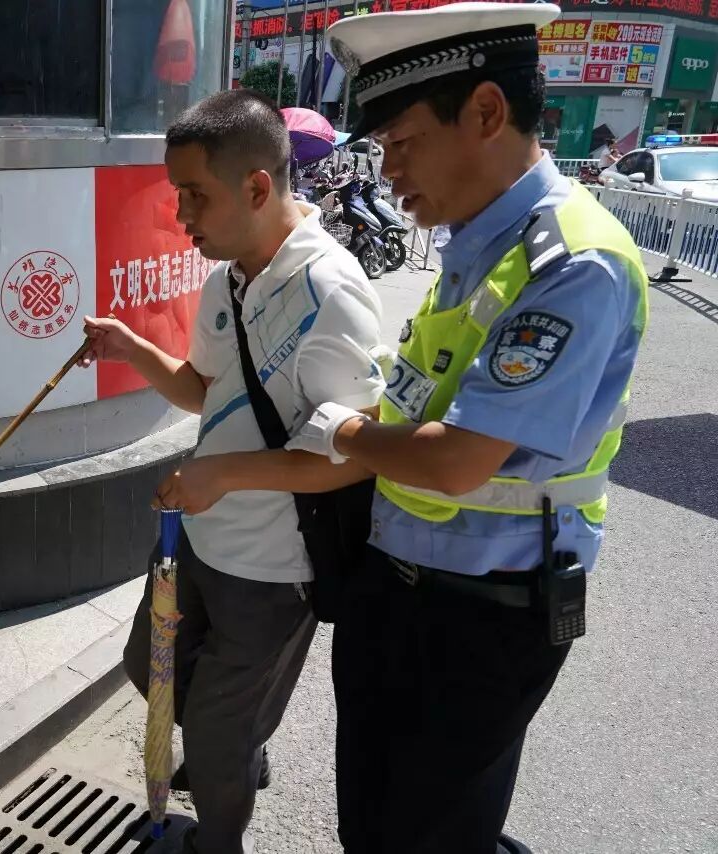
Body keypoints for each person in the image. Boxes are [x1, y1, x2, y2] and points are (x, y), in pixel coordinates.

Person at [157, 4, 649, 852]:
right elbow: (411, 406)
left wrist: (339, 431)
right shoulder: (476, 249)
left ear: (486, 112)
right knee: (378, 824)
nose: (387, 171)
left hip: (485, 615)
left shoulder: (572, 264)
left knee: (429, 832)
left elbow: (455, 461)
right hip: (397, 588)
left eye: (403, 143)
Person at [80, 89, 385, 854]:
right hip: (199, 543)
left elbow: (354, 459)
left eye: (195, 195)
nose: (181, 215)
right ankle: (241, 747)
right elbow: (202, 390)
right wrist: (130, 347)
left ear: (256, 187)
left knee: (214, 742)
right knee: (150, 670)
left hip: (275, 570)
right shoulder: (227, 276)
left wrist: (221, 476)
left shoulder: (332, 292)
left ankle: (218, 831)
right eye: (177, 193)